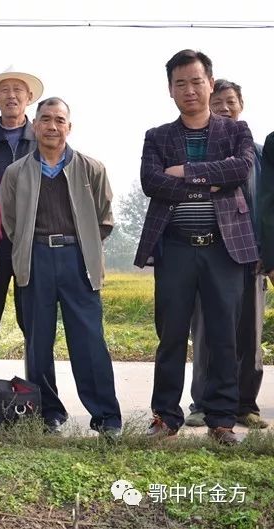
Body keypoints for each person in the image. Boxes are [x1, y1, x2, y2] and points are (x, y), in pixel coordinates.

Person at [136, 50, 257, 445]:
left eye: (196, 81)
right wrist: (211, 181)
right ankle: (165, 417)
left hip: (224, 249)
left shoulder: (236, 132)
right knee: (171, 336)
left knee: (224, 336)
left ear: (210, 83)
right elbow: (152, 182)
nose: (189, 90)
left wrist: (186, 173)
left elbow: (240, 169)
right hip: (176, 249)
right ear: (170, 90)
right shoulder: (157, 136)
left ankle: (222, 420)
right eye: (180, 83)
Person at [1, 97, 122, 436]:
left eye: (59, 120)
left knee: (89, 340)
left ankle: (106, 417)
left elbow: (104, 219)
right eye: (45, 119)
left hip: (78, 260)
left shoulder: (91, 169)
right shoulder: (16, 173)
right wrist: (30, 247)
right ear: (34, 125)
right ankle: (48, 413)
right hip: (35, 260)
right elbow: (10, 222)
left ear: (69, 126)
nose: (52, 126)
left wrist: (83, 246)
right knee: (38, 342)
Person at [185, 79, 267, 430]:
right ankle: (203, 404)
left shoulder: (261, 155)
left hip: (252, 257)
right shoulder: (198, 152)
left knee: (249, 333)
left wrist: (268, 252)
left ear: (241, 105)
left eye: (230, 101)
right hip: (209, 255)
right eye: (217, 102)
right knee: (207, 333)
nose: (224, 108)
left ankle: (245, 405)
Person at [0, 67, 42, 379]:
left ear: (29, 97)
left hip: (34, 245)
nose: (12, 95)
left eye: (18, 90)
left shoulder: (44, 140)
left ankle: (38, 395)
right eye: (5, 90)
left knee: (34, 322)